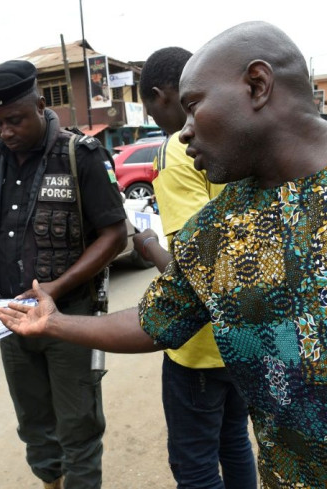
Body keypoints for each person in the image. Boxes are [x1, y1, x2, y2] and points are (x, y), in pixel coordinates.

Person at [0, 21, 327, 488]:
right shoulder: (212, 234)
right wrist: (53, 322)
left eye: (193, 108)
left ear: (257, 85)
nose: (184, 133)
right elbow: (154, 322)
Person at [0, 59, 127, 489]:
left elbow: (114, 236)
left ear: (40, 105)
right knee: (35, 426)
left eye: (15, 119)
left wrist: (55, 288)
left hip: (70, 319)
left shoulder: (80, 156)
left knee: (79, 427)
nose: (5, 131)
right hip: (10, 319)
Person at [135, 46, 256, 489]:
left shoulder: (177, 150)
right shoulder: (239, 138)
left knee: (194, 462)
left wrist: (148, 244)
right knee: (235, 442)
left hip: (198, 344)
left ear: (159, 96)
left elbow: (195, 266)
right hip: (244, 335)